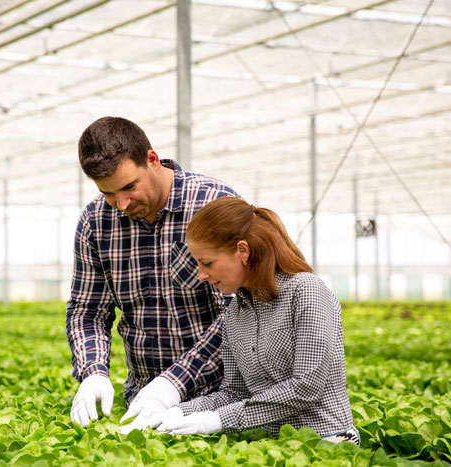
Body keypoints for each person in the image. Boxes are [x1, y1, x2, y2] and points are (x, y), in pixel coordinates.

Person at [66, 116, 240, 430]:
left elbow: (241, 312)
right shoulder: (95, 222)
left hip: (221, 400)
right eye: (108, 194)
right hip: (141, 401)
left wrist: (174, 383)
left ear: (153, 160)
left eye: (129, 187)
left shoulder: (213, 204)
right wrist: (93, 371)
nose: (122, 204)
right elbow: (88, 311)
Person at [152, 197, 359, 445]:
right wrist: (177, 412)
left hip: (327, 442)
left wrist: (216, 420)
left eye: (207, 263)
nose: (201, 275)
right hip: (269, 444)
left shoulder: (306, 291)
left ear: (242, 251)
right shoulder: (235, 313)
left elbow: (306, 388)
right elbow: (234, 392)